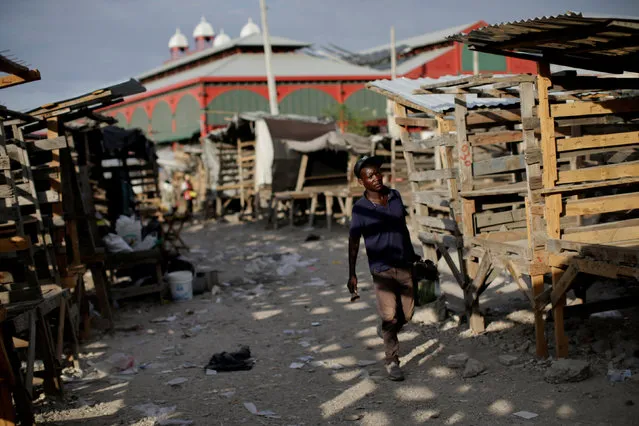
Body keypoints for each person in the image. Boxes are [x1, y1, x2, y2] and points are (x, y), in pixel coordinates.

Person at [347, 155, 418, 381]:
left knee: (405, 315)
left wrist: (414, 256)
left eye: (378, 172)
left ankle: (388, 328)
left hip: (404, 263)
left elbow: (403, 228)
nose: (376, 178)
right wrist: (352, 273)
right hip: (381, 268)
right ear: (362, 182)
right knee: (390, 316)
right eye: (370, 176)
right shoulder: (360, 209)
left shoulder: (395, 196)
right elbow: (354, 241)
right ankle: (392, 360)